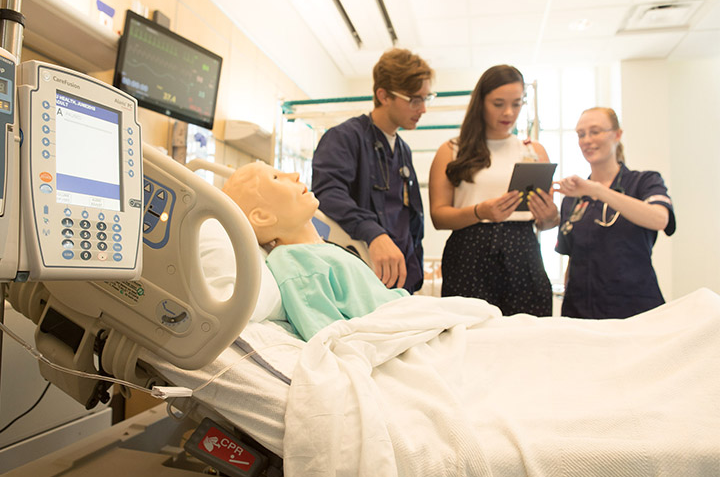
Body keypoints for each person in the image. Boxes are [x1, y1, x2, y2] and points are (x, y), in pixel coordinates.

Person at [222, 161, 407, 340]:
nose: (295, 175)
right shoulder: (292, 261)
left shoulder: (318, 249)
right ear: (262, 217)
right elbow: (328, 335)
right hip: (395, 327)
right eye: (276, 177)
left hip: (401, 312)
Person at [428, 65, 559, 316]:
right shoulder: (452, 150)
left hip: (523, 251)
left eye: (516, 104)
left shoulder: (534, 151)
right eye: (498, 104)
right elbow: (439, 216)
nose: (508, 112)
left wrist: (550, 215)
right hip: (469, 253)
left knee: (528, 330)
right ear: (481, 103)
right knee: (470, 329)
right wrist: (480, 211)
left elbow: (548, 223)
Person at [311, 48, 434, 294]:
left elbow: (409, 219)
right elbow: (328, 193)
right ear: (384, 95)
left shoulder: (403, 150)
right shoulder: (344, 138)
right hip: (360, 275)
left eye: (426, 98)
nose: (423, 109)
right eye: (414, 100)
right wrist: (374, 233)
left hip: (400, 278)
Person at [554, 107, 676, 319]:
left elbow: (660, 219)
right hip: (580, 312)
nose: (587, 140)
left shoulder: (644, 182)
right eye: (581, 134)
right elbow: (572, 260)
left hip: (634, 310)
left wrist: (599, 191)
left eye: (595, 132)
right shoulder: (573, 198)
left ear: (617, 135)